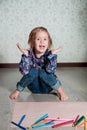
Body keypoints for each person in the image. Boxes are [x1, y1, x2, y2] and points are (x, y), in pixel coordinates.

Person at [10, 26, 68, 101]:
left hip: (47, 87)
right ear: (33, 43)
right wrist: (26, 56)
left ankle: (61, 92)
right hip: (34, 88)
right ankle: (17, 91)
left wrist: (52, 55)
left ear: (49, 42)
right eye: (38, 39)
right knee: (33, 71)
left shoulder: (49, 54)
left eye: (45, 39)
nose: (42, 41)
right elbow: (24, 71)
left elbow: (51, 70)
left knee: (43, 72)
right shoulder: (29, 55)